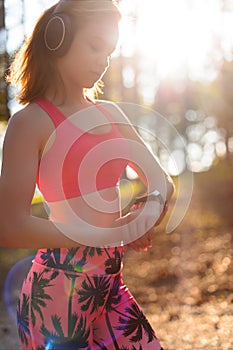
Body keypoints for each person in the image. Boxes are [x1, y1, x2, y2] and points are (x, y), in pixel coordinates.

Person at [0, 1, 174, 349]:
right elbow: (10, 226)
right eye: (95, 46)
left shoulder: (110, 114)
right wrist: (103, 233)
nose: (104, 60)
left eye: (109, 51)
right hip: (55, 296)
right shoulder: (29, 123)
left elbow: (161, 183)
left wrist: (144, 215)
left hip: (110, 286)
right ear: (57, 39)